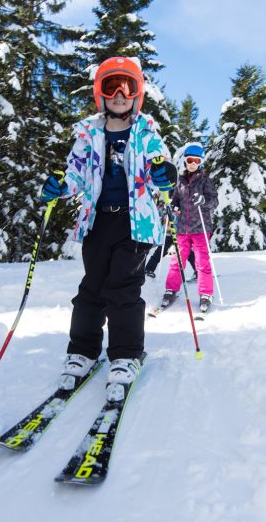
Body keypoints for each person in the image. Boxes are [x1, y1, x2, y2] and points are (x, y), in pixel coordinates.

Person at [39, 57, 176, 402]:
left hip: (135, 223)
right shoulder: (89, 134)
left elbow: (159, 164)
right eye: (112, 85)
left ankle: (125, 355)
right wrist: (60, 184)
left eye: (127, 87)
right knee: (92, 287)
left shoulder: (146, 132)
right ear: (100, 93)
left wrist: (165, 174)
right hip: (98, 219)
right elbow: (75, 173)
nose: (119, 93)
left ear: (137, 94)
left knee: (123, 288)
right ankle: (82, 351)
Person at [159, 142, 218, 314]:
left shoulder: (205, 180)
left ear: (201, 162)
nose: (193, 163)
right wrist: (173, 207)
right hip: (182, 229)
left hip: (200, 227)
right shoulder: (180, 181)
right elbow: (176, 199)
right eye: (190, 160)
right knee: (176, 261)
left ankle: (206, 293)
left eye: (196, 161)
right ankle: (171, 290)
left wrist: (204, 201)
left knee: (202, 263)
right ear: (185, 161)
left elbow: (214, 200)